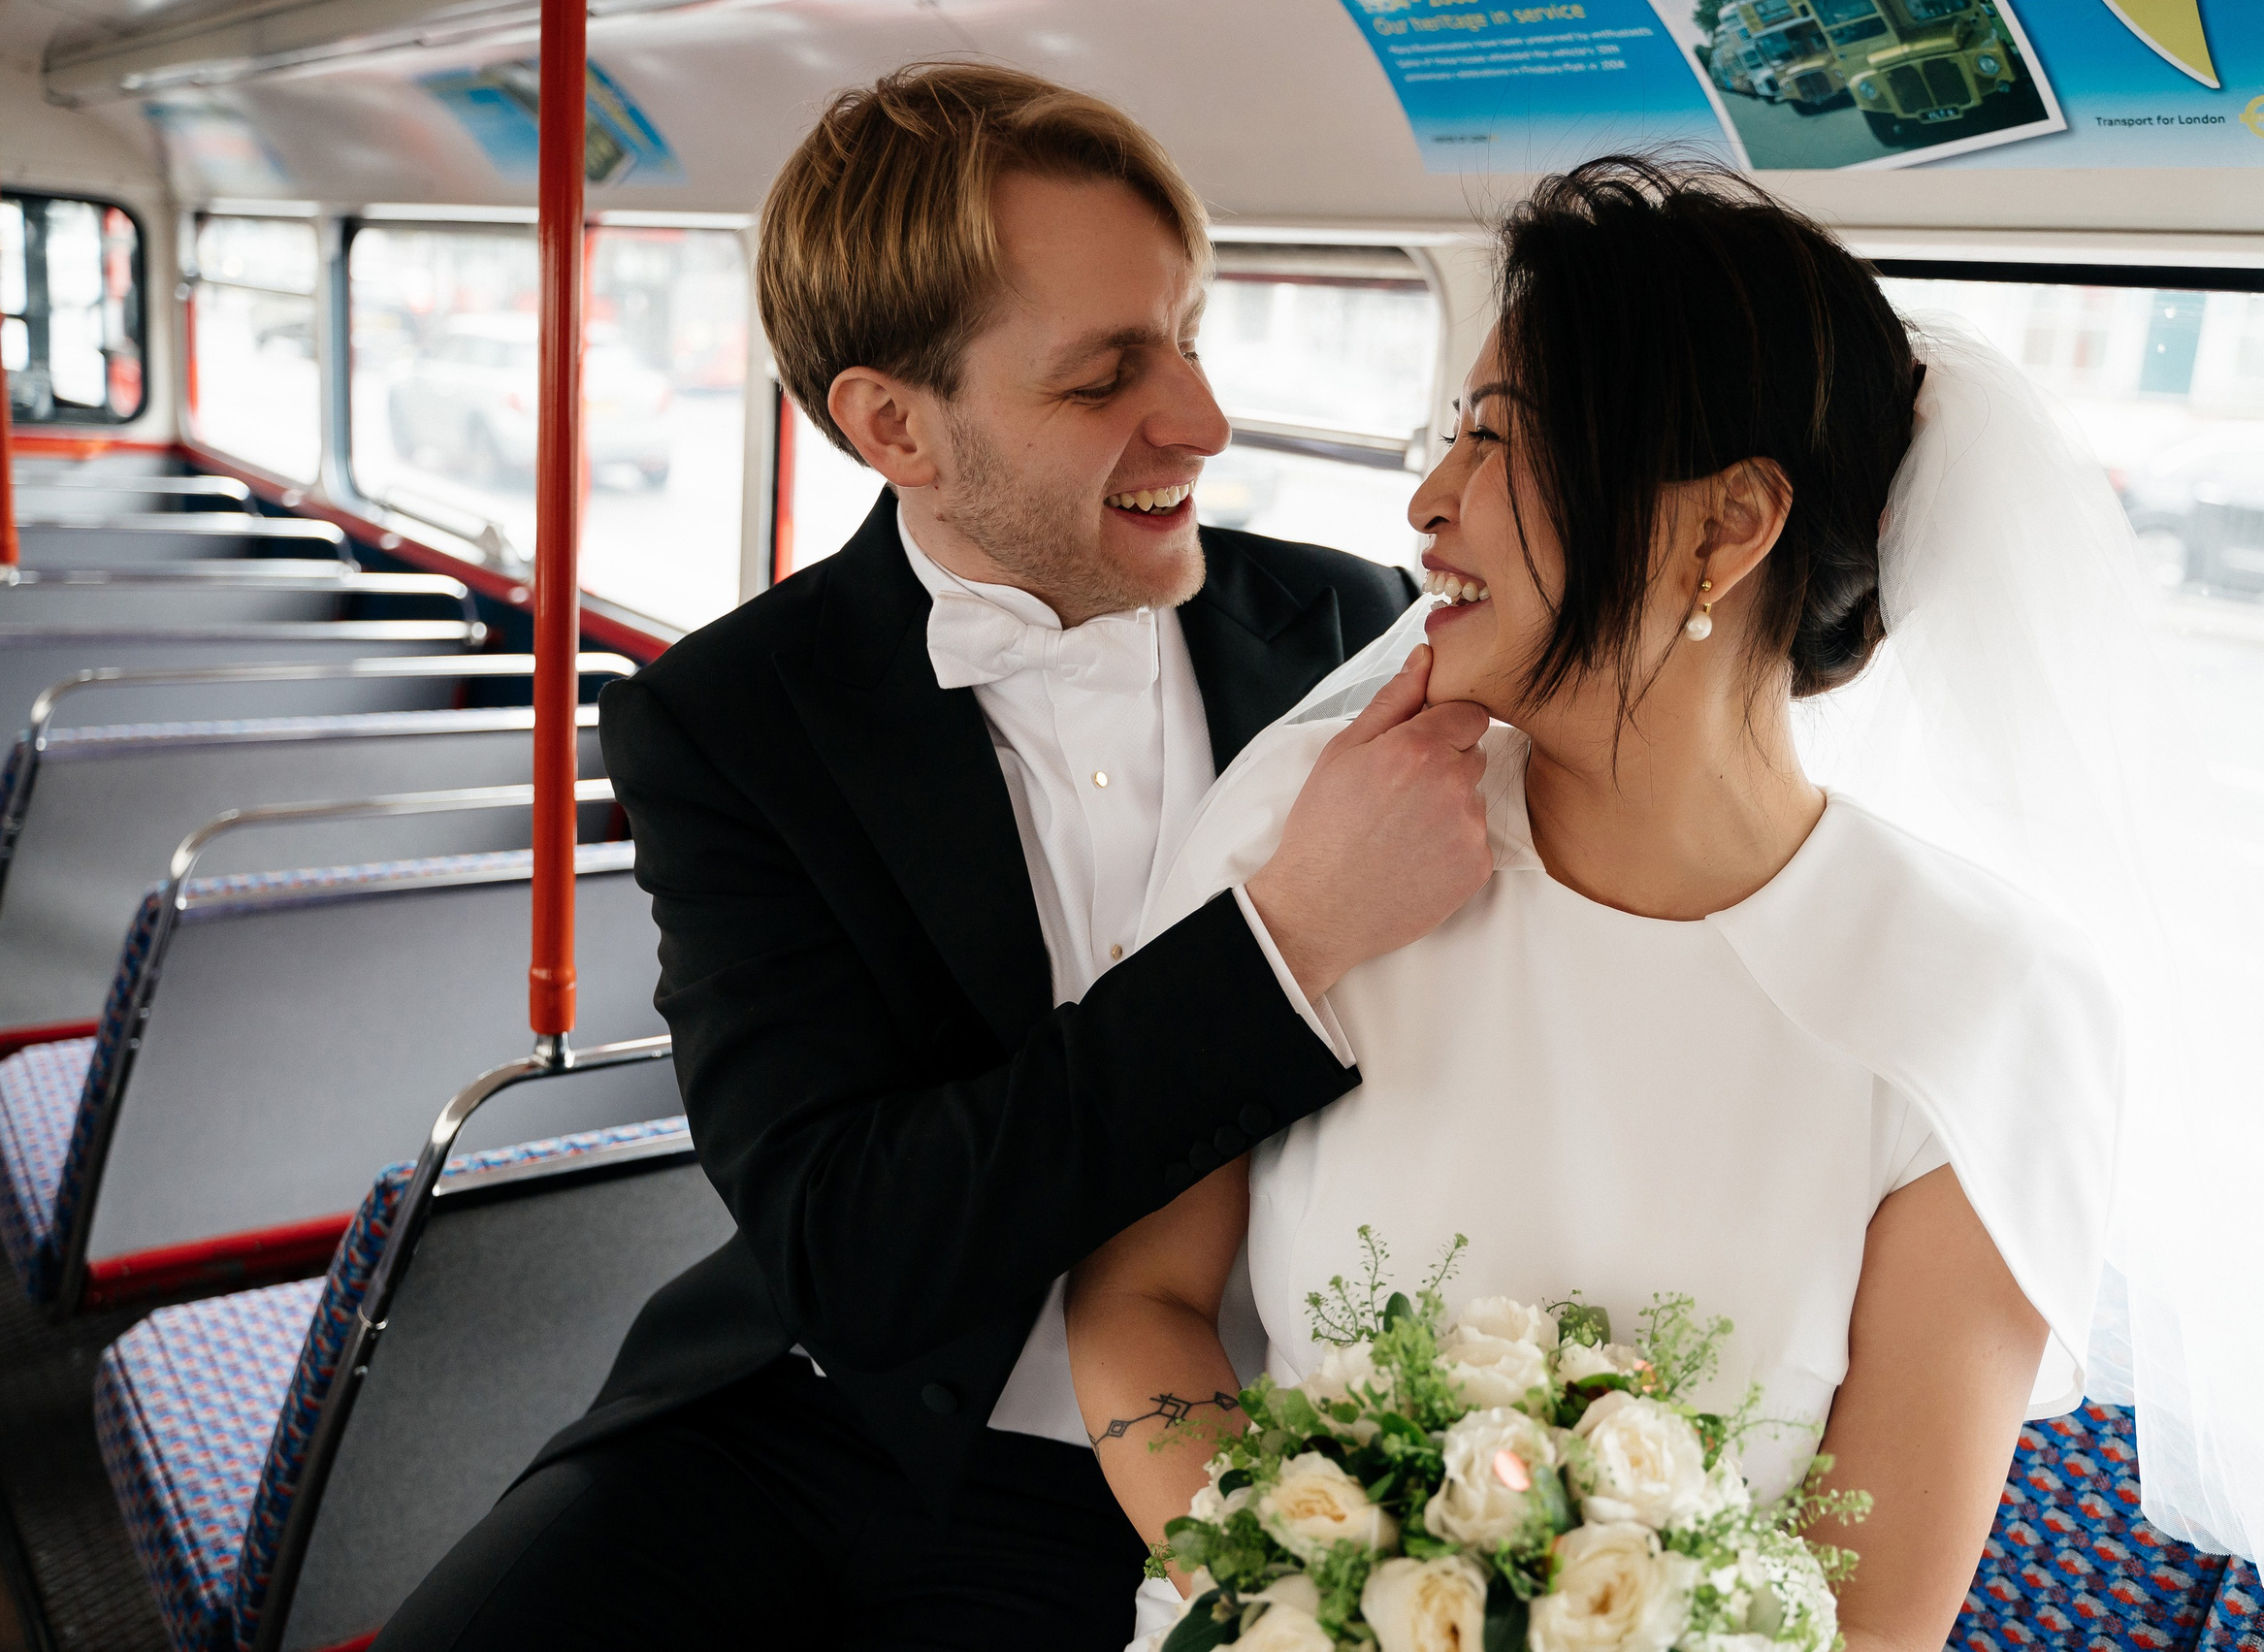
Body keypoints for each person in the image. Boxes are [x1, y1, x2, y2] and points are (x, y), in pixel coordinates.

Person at [372, 64, 1497, 1651]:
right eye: (1109, 373)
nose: (1203, 420)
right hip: (808, 1406)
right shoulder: (732, 718)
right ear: (895, 425)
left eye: (1190, 337)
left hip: (1192, 1456)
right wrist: (1283, 940)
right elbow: (854, 1250)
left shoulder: (1359, 631)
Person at [1065, 158, 2126, 1650]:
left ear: (1725, 527)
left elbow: (1870, 1615)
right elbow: (1137, 1307)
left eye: (1495, 441)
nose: (1427, 501)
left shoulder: (1986, 1006)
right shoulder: (1317, 832)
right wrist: (1305, 1604)